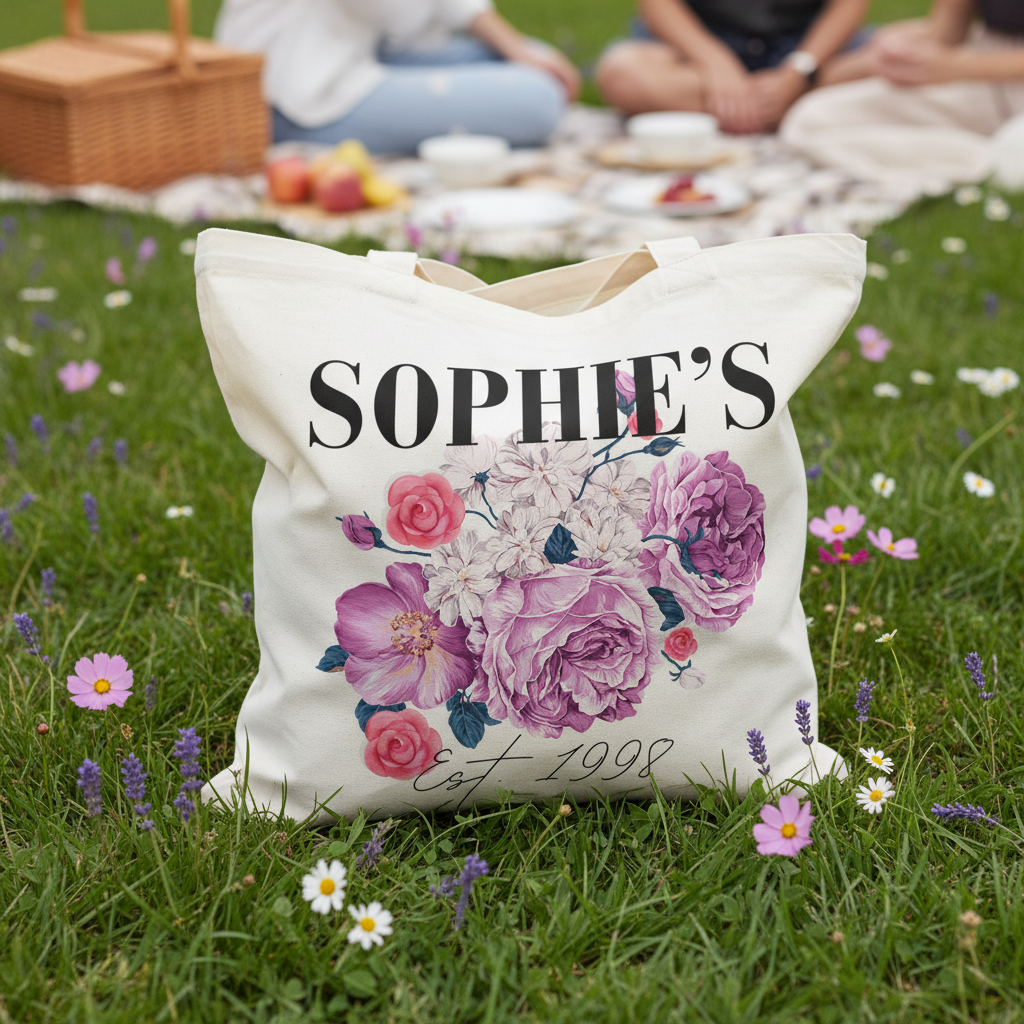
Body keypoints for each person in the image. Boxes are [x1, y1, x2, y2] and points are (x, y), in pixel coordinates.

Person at [214, 0, 580, 153]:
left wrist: (516, 48)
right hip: (295, 88)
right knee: (537, 100)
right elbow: (398, 15)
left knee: (532, 58)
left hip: (355, 50)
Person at [781, 0, 1024, 187]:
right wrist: (904, 47)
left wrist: (958, 67)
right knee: (812, 119)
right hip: (981, 82)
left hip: (989, 74)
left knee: (1014, 149)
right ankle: (986, 159)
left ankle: (992, 160)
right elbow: (947, 34)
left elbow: (953, 63)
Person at [595, 0, 870, 133]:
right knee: (623, 74)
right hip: (700, 47)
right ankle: (784, 109)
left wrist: (801, 69)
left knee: (882, 61)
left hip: (809, 46)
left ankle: (741, 107)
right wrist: (714, 61)